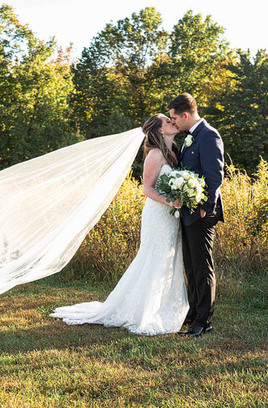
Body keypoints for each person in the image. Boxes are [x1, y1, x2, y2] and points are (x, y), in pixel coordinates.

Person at [50, 114, 189, 335]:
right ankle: (145, 310)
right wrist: (170, 201)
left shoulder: (174, 151)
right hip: (158, 214)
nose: (173, 121)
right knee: (153, 258)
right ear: (160, 130)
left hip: (171, 215)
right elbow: (147, 189)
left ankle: (165, 307)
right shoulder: (155, 154)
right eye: (167, 121)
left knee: (169, 259)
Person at [167, 93, 224, 337]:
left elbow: (215, 175)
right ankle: (192, 316)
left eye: (174, 118)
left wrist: (204, 208)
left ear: (185, 115)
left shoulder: (209, 135)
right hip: (187, 213)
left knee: (202, 267)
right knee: (191, 267)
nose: (173, 122)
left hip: (201, 213)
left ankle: (204, 321)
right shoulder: (190, 137)